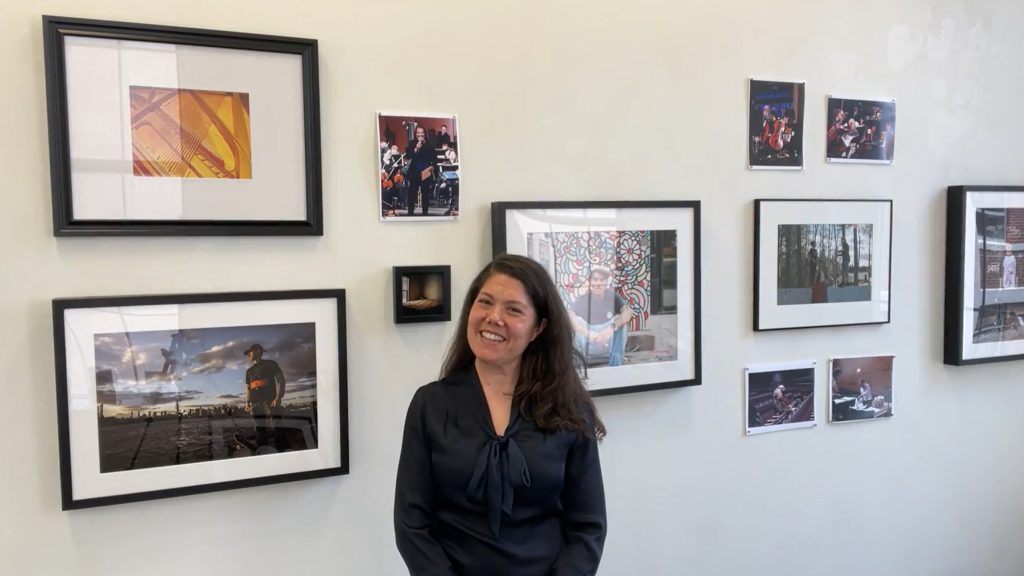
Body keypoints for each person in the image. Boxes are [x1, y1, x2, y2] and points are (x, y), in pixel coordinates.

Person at [394, 255, 607, 576]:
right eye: (485, 303)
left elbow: (588, 527)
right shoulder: (431, 404)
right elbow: (412, 525)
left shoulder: (568, 408)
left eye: (513, 309)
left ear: (538, 328)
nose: (494, 317)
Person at [569, 266, 633, 367]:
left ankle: (616, 367)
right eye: (595, 279)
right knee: (576, 321)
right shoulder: (582, 300)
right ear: (590, 282)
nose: (598, 283)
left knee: (621, 322)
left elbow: (628, 312)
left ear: (606, 283)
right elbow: (569, 317)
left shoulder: (613, 297)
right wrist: (589, 334)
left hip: (607, 342)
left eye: (602, 280)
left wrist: (611, 328)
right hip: (588, 343)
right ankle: (580, 368)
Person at [243, 343, 287, 451]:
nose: (248, 354)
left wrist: (278, 398)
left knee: (277, 428)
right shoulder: (248, 372)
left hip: (269, 402)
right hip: (255, 405)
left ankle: (282, 452)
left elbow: (280, 380)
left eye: (250, 352)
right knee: (260, 430)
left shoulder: (270, 364)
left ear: (258, 351)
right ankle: (262, 452)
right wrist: (247, 403)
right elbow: (248, 389)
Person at [405, 126, 436, 216]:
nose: (420, 134)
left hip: (426, 172)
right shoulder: (411, 143)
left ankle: (425, 213)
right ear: (415, 134)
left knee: (425, 194)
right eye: (418, 133)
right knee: (412, 193)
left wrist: (432, 167)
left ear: (424, 133)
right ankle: (410, 212)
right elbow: (408, 156)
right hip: (414, 172)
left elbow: (434, 159)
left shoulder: (430, 145)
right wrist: (416, 148)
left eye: (422, 132)